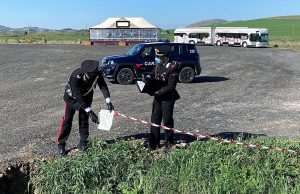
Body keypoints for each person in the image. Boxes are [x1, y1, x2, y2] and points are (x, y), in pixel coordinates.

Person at [56, 60, 114, 156]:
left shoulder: (96, 73)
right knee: (67, 121)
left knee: (83, 120)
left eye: (95, 72)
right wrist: (90, 112)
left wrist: (108, 101)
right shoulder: (75, 76)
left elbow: (103, 86)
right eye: (92, 73)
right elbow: (77, 95)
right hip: (72, 99)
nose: (95, 73)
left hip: (86, 97)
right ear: (86, 72)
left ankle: (83, 143)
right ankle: (61, 144)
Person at [143, 46, 180, 150]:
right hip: (157, 97)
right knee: (154, 119)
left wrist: (158, 92)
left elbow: (171, 87)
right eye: (156, 57)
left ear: (165, 57)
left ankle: (169, 142)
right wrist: (148, 77)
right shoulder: (159, 64)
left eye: (158, 57)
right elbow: (153, 72)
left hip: (167, 98)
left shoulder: (172, 67)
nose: (157, 58)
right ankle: (154, 143)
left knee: (167, 120)